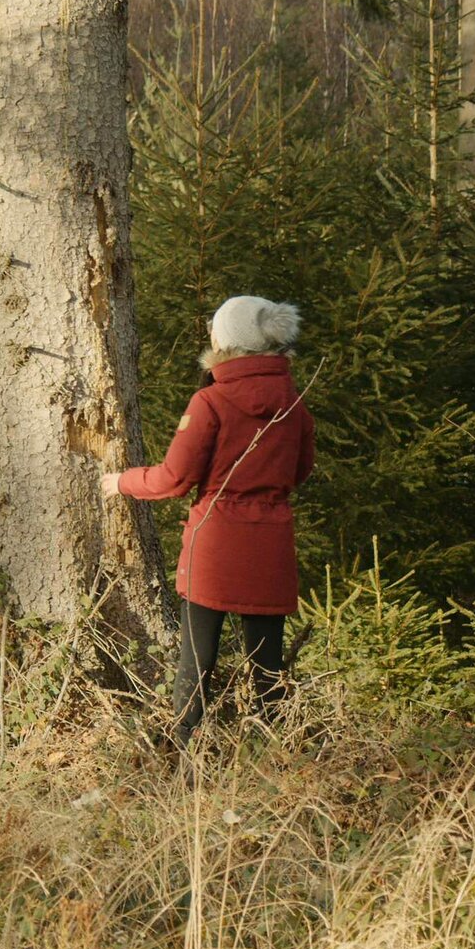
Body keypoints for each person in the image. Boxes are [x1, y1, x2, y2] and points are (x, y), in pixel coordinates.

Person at [101, 295, 315, 747]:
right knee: (268, 666)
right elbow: (300, 472)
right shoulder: (293, 401)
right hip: (272, 544)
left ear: (225, 341)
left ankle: (185, 753)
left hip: (215, 543)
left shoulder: (211, 400)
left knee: (196, 660)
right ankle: (271, 758)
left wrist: (120, 481)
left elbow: (174, 479)